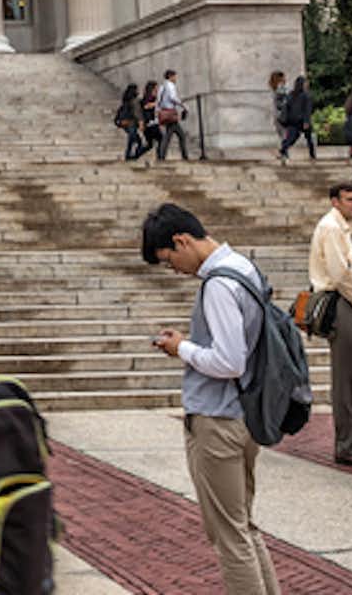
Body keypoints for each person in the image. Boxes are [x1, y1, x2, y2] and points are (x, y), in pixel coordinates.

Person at [142, 203, 283, 595]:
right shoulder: (243, 268)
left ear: (181, 240)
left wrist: (181, 348)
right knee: (242, 525)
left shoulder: (218, 284)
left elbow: (228, 360)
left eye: (170, 259)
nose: (174, 269)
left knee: (228, 535)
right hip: (245, 413)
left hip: (218, 419)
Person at [310, 181, 352, 467]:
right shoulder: (332, 227)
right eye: (350, 199)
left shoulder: (337, 226)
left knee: (348, 374)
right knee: (346, 376)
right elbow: (341, 275)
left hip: (341, 300)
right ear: (335, 201)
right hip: (338, 301)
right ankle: (347, 443)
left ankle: (349, 441)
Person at [277, 74, 316, 163]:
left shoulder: (291, 94)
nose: (307, 84)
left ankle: (284, 149)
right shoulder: (306, 95)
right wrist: (307, 121)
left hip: (292, 120)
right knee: (309, 138)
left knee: (292, 138)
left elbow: (286, 106)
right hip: (302, 120)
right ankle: (312, 154)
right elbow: (307, 109)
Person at [151, 68, 188, 161]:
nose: (176, 79)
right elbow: (173, 97)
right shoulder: (170, 85)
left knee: (171, 135)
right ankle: (182, 156)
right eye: (175, 76)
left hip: (165, 113)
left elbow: (158, 100)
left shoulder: (162, 86)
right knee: (179, 136)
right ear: (170, 76)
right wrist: (182, 104)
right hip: (170, 113)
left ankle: (162, 155)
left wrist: (158, 111)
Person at [117, 82, 147, 162]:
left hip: (125, 123)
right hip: (131, 123)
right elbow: (137, 113)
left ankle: (129, 155)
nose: (138, 91)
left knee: (132, 140)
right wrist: (141, 123)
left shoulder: (126, 100)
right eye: (137, 89)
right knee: (138, 142)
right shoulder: (134, 101)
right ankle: (132, 156)